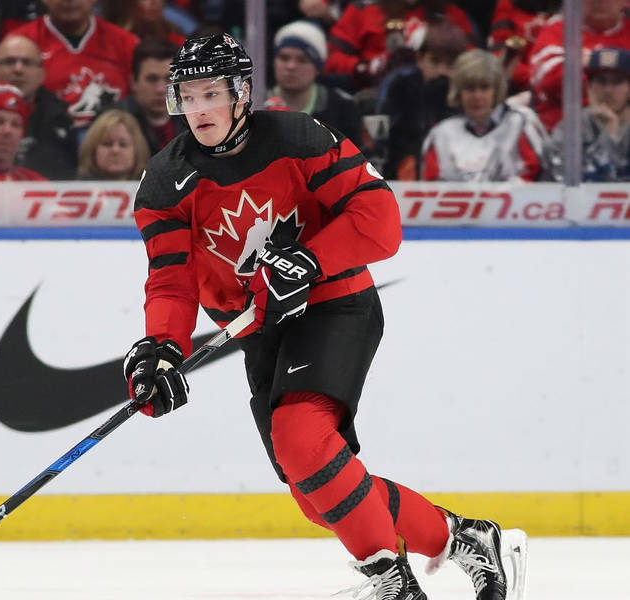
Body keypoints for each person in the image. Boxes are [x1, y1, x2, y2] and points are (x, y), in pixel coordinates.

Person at [123, 33, 526, 600]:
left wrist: (309, 260)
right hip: (260, 328)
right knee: (318, 494)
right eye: (187, 97)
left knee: (301, 440)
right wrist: (163, 346)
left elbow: (380, 219)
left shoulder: (298, 138)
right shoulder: (165, 181)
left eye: (210, 94)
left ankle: (392, 582)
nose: (198, 109)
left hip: (334, 304)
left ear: (241, 93)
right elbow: (170, 279)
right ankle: (464, 539)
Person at [0, 34, 77, 180]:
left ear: (42, 74)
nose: (18, 69)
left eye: (27, 63)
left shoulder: (61, 119)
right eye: (9, 62)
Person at [10, 0, 139, 128]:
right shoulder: (17, 45)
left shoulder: (127, 45)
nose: (70, 1)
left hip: (113, 135)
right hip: (44, 135)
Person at [422, 49, 547, 181]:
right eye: (470, 88)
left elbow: (537, 180)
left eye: (484, 87)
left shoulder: (520, 124)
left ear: (496, 90)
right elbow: (431, 186)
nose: (477, 96)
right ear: (459, 92)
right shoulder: (441, 134)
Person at [378, 19, 466, 179]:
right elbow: (381, 139)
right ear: (420, 58)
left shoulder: (465, 94)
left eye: (450, 64)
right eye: (435, 61)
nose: (442, 71)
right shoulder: (398, 87)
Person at [325, 0, 475, 89]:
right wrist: (365, 68)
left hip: (439, 96)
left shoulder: (450, 14)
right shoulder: (363, 9)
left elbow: (472, 64)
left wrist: (445, 67)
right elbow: (331, 60)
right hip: (374, 93)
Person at [529, 0, 630, 131]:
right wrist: (617, 68)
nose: (599, 2)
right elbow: (550, 82)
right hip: (562, 132)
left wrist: (586, 64)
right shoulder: (557, 29)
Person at [266, 20, 363, 145]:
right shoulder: (255, 105)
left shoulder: (342, 109)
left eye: (302, 60)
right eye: (284, 58)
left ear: (317, 68)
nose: (291, 66)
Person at [548, 47, 630, 181]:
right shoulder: (571, 126)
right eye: (601, 81)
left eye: (617, 82)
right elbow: (561, 178)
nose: (608, 90)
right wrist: (609, 133)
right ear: (589, 86)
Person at [103, 37, 182, 156]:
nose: (161, 89)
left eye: (169, 79)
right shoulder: (110, 121)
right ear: (133, 82)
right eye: (152, 79)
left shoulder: (192, 117)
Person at [77, 108, 149, 180]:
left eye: (123, 145)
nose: (115, 150)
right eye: (107, 144)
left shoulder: (151, 184)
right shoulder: (74, 185)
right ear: (92, 150)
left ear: (137, 150)